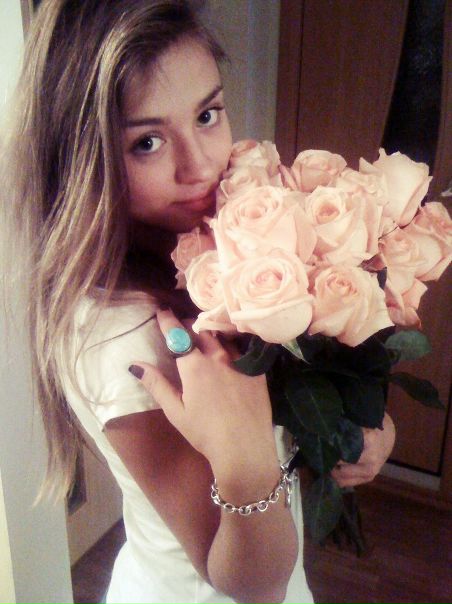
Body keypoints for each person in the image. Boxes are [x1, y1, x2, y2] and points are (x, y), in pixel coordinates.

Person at [1, 1, 396, 603]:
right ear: (79, 160)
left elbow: (296, 400)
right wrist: (245, 464)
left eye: (207, 114)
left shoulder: (216, 241)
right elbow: (253, 585)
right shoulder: (125, 337)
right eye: (147, 142)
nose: (201, 165)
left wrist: (363, 428)